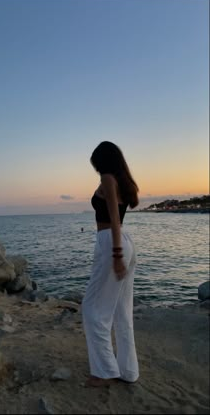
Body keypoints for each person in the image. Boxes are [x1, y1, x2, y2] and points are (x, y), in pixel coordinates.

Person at [82, 140, 139, 387]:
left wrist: (116, 256)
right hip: (126, 242)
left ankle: (105, 372)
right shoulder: (122, 180)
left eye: (95, 162)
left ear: (102, 160)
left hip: (111, 242)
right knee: (121, 311)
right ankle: (128, 371)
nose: (95, 167)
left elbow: (114, 219)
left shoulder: (107, 178)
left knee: (93, 309)